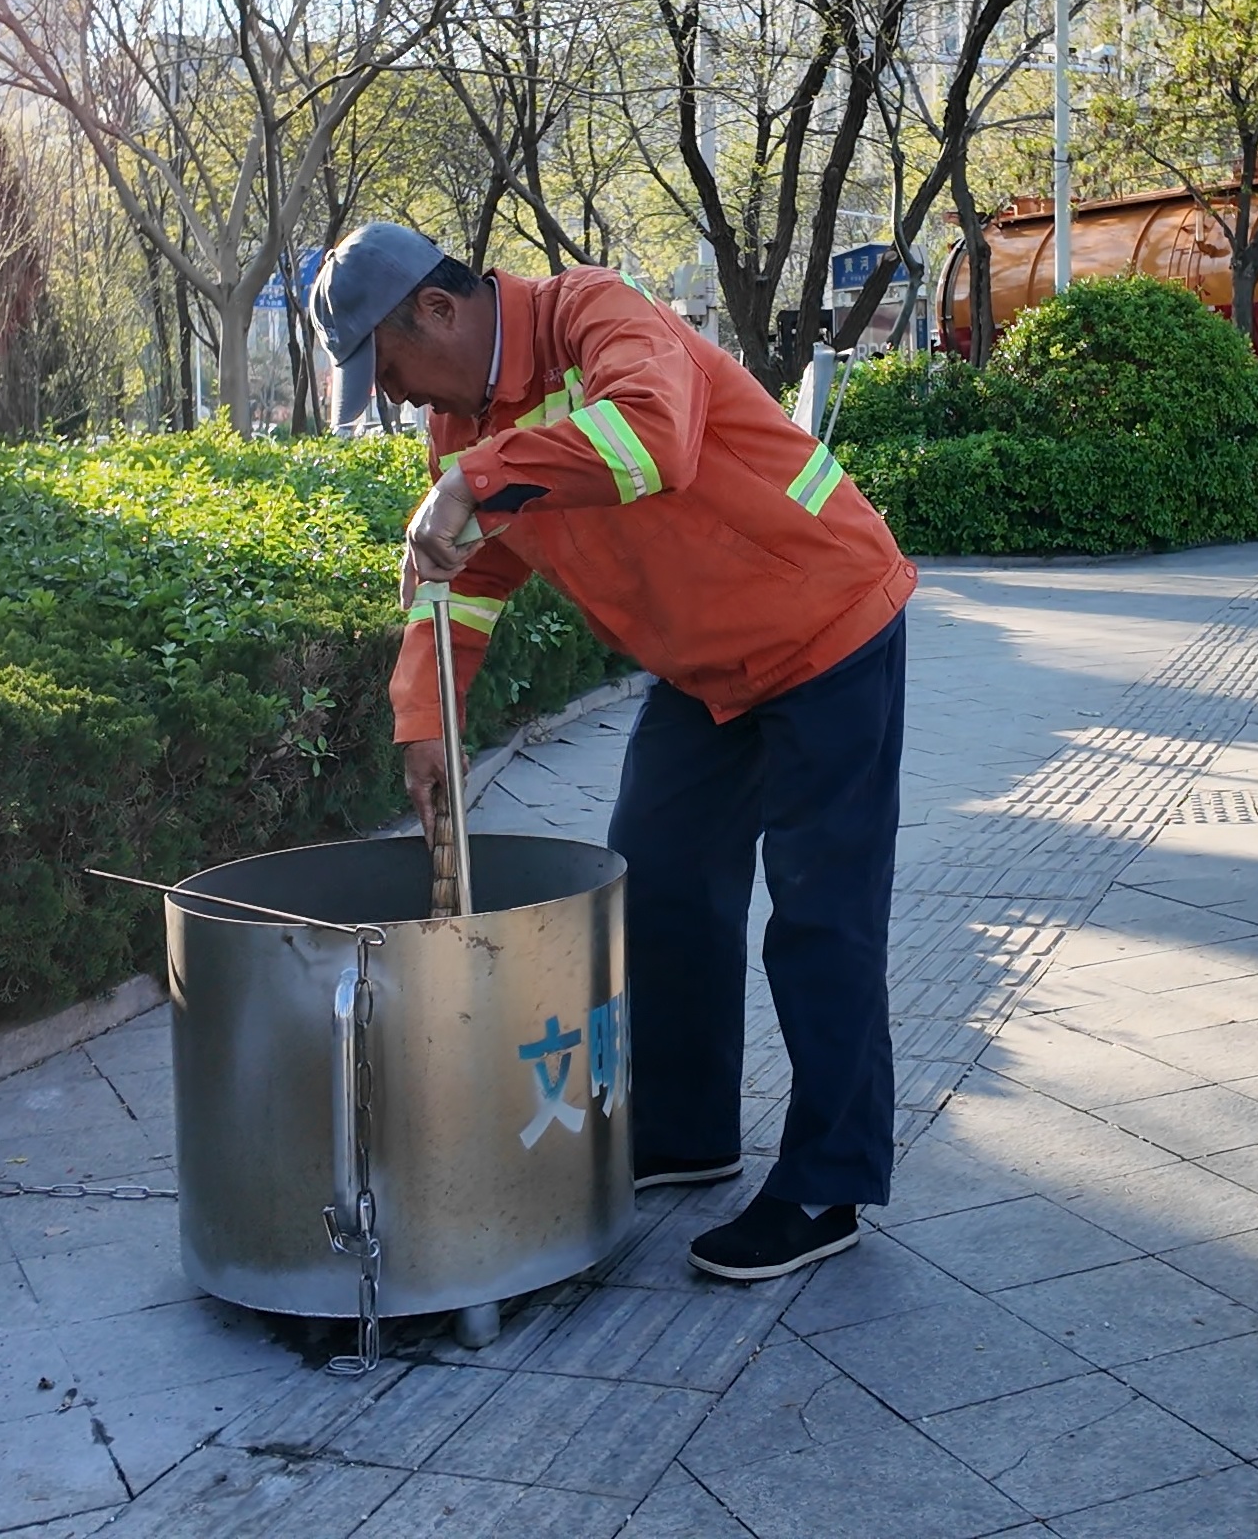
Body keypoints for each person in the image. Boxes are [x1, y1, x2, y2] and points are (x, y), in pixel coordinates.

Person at [313, 223, 917, 1282]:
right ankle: (686, 1134)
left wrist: (478, 478)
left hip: (826, 622)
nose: (398, 398)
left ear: (439, 310)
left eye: (390, 368)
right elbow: (466, 579)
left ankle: (831, 1183)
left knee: (823, 914)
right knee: (662, 884)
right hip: (705, 668)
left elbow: (653, 435)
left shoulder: (592, 312)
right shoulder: (460, 425)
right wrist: (426, 723)